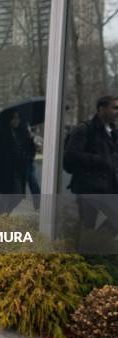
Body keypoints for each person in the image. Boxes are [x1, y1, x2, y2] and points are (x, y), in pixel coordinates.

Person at [64, 95, 118, 235]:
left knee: (91, 230)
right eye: (114, 108)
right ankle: (87, 250)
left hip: (108, 189)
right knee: (87, 227)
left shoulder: (113, 131)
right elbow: (71, 156)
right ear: (101, 109)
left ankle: (96, 243)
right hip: (88, 189)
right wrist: (99, 159)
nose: (117, 111)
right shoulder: (84, 129)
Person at [0, 111, 35, 214]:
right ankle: (1, 215)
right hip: (4, 171)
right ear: (9, 119)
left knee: (18, 196)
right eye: (14, 118)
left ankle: (2, 214)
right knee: (7, 196)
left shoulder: (21, 132)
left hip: (18, 170)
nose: (17, 120)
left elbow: (29, 152)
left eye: (18, 118)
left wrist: (30, 140)